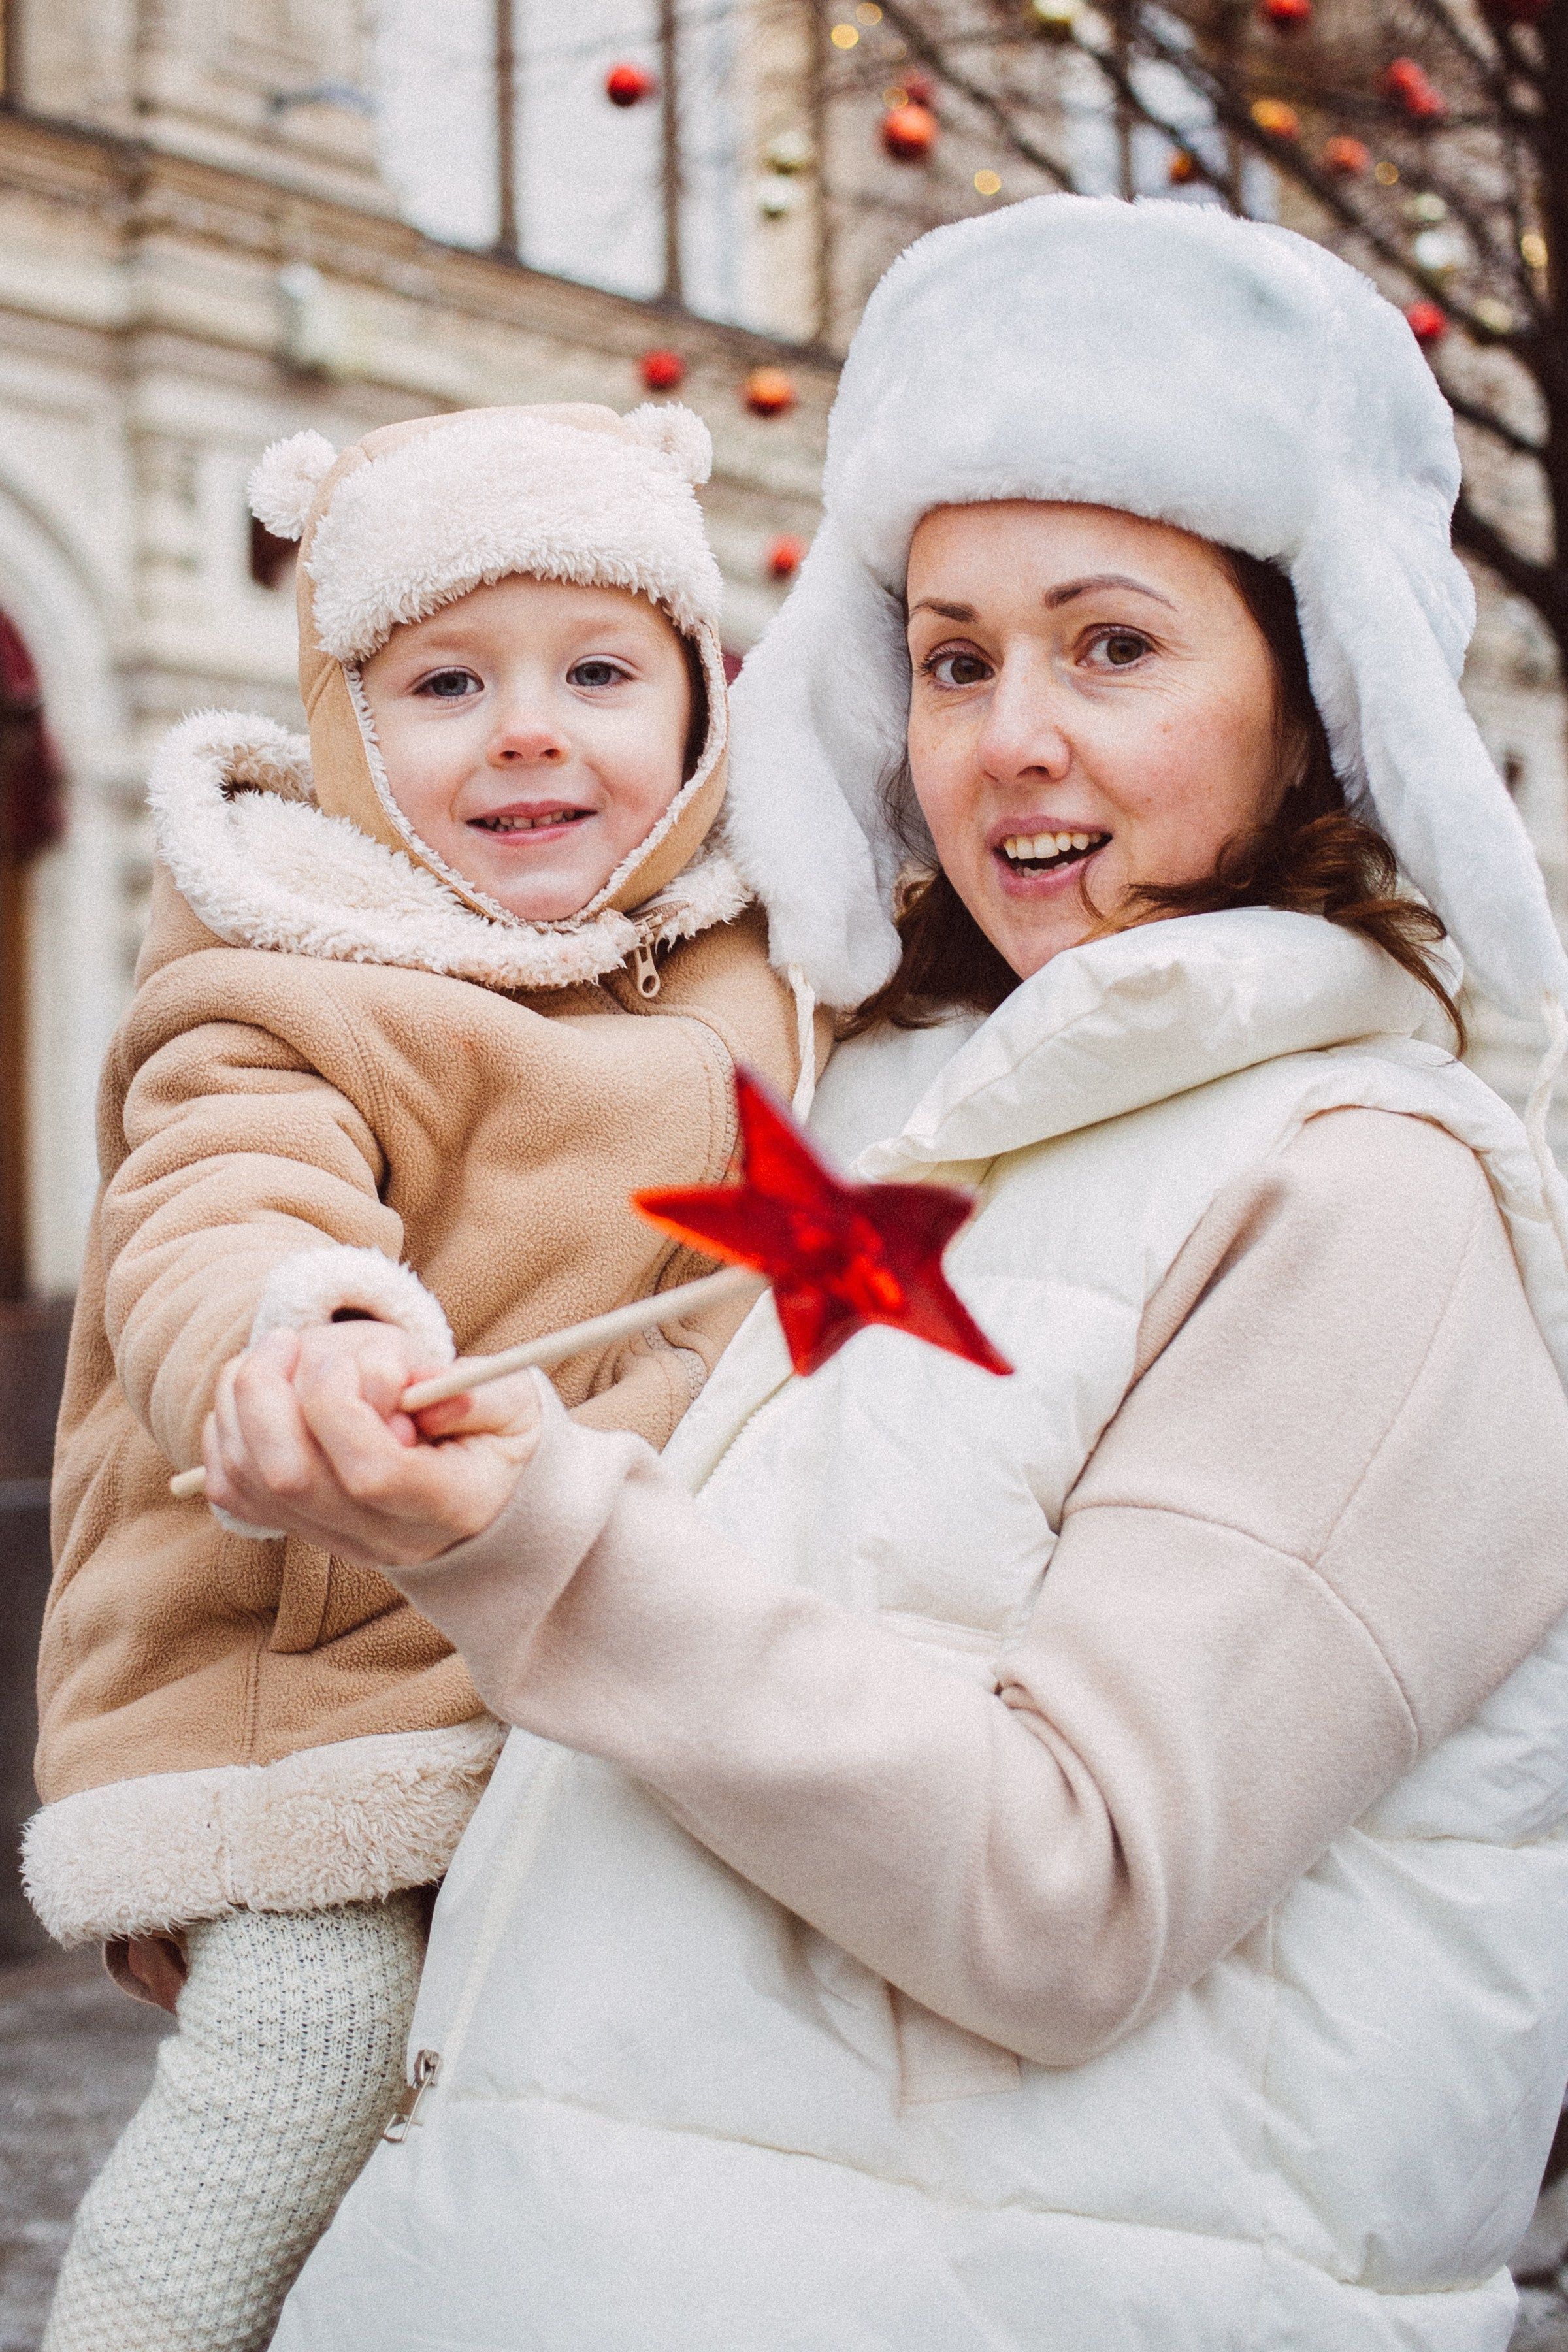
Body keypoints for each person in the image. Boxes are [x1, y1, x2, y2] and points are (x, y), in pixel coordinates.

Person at [232, 200, 1568, 2351]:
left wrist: (533, 1541)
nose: (1010, 735)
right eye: (954, 655)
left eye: (1112, 645)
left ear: (1316, 700)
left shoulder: (1366, 1200)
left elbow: (1070, 1891)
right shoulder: (874, 1111)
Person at [29, 400, 811, 2352]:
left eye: (600, 671)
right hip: (304, 1673)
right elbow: (212, 1201)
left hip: (588, 1663)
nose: (529, 728)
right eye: (448, 679)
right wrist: (308, 1325)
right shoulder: (293, 966)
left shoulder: (758, 957)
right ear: (353, 727)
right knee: (313, 2041)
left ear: (705, 709)